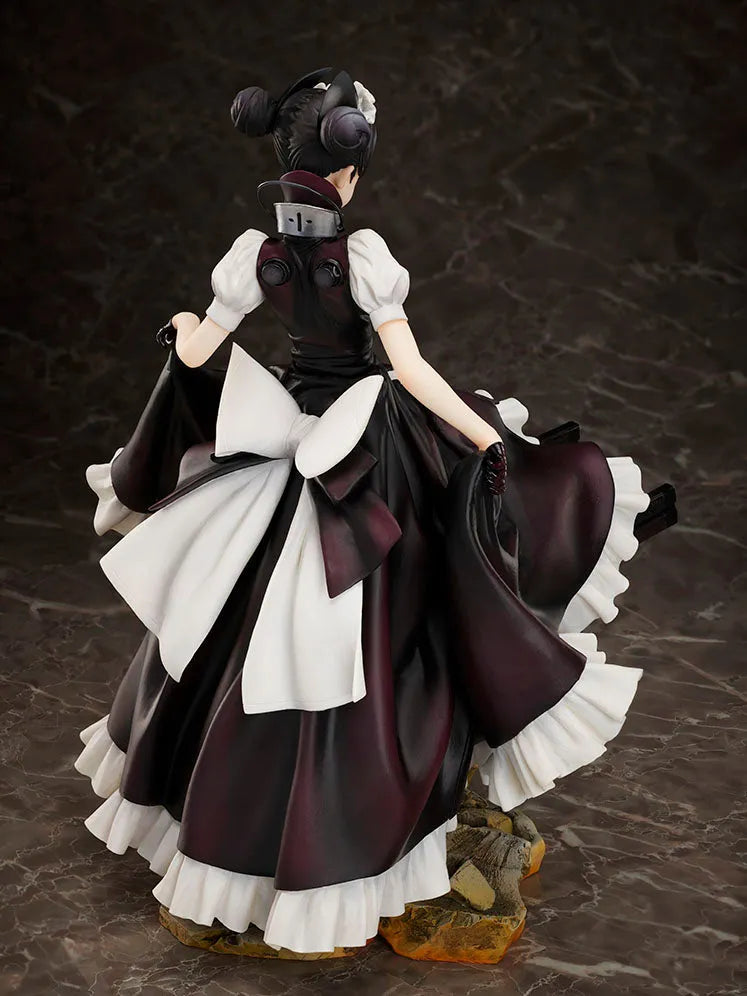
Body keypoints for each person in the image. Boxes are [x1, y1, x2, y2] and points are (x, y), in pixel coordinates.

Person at [75, 67, 678, 955]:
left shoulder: (255, 255)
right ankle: (349, 823)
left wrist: (181, 328)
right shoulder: (361, 256)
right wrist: (488, 440)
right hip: (358, 441)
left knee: (243, 617)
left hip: (289, 432)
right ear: (349, 167)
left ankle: (237, 813)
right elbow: (411, 371)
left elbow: (201, 348)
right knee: (412, 598)